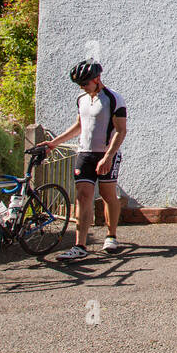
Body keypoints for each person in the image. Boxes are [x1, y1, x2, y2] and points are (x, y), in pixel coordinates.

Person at [42, 60, 127, 261]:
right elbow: (80, 125)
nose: (83, 87)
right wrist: (54, 143)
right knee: (83, 196)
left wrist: (108, 157)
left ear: (97, 79)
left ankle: (111, 235)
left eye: (85, 83)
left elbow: (121, 130)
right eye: (80, 85)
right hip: (85, 153)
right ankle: (80, 245)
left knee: (108, 195)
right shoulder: (81, 99)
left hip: (106, 154)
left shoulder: (114, 98)